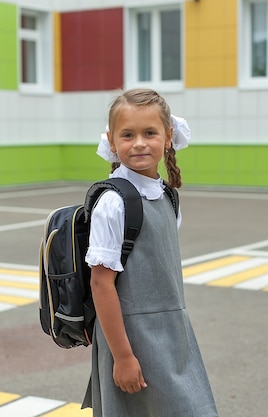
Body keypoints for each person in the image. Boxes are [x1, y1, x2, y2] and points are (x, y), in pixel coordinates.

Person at [82, 88, 218, 417]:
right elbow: (101, 284)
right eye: (127, 135)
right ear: (112, 142)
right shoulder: (114, 203)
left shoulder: (166, 197)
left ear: (168, 137)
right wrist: (123, 357)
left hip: (173, 333)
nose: (139, 143)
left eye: (150, 133)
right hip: (133, 339)